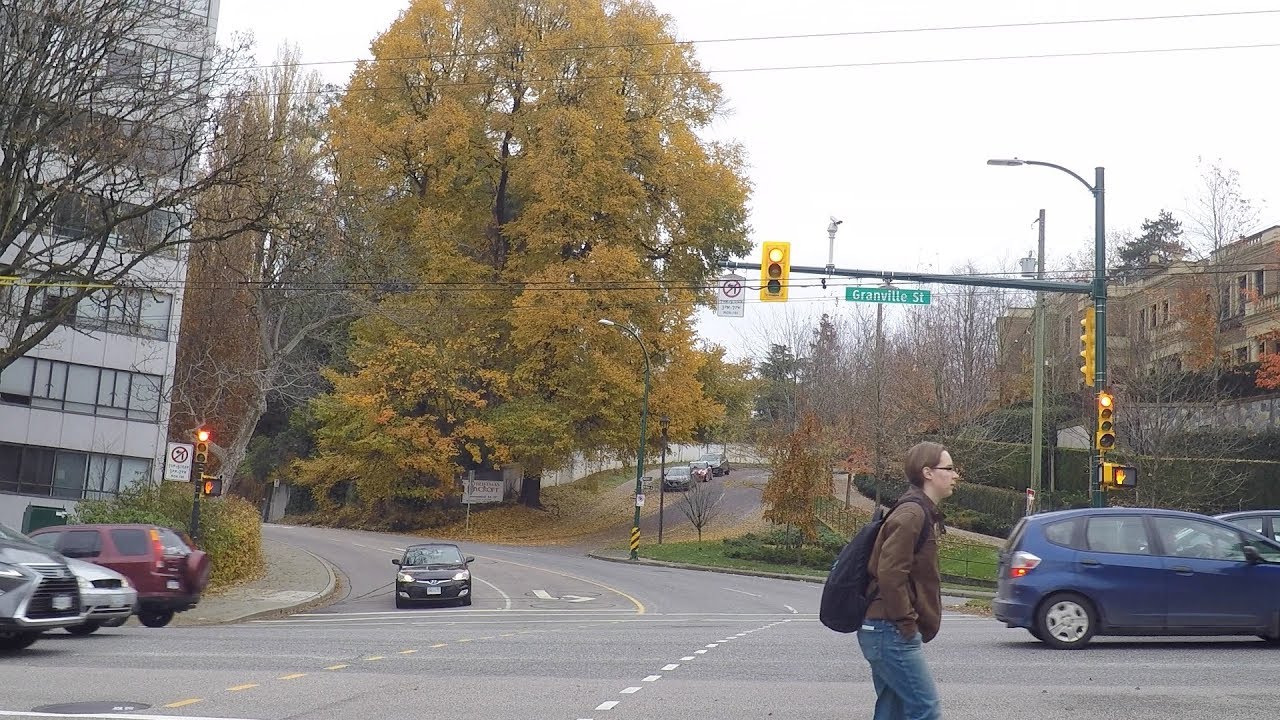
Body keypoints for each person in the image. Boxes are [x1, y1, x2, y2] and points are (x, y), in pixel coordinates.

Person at [858, 441, 958, 720]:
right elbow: (890, 572)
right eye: (948, 468)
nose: (955, 475)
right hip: (889, 630)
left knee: (893, 712)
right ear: (928, 473)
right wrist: (906, 622)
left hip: (883, 628)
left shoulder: (916, 511)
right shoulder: (912, 514)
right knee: (925, 709)